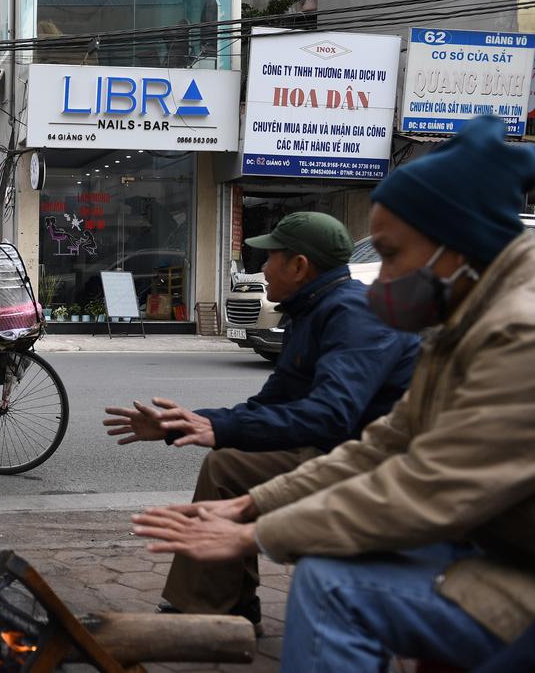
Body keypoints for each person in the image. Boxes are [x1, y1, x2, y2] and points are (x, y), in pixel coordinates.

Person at [130, 116, 535, 671]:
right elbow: (385, 444)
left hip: (498, 554)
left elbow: (420, 481)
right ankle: (215, 605)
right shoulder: (464, 315)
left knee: (333, 586)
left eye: (391, 255)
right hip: (487, 540)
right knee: (249, 488)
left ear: (454, 246)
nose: (380, 276)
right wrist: (251, 504)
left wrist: (255, 532)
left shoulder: (518, 331)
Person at [104, 211, 420, 633]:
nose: (262, 268)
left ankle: (214, 606)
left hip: (373, 466)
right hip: (340, 448)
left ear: (299, 265)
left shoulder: (352, 315)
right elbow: (269, 404)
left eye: (270, 258)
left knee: (227, 465)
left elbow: (331, 414)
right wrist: (180, 425)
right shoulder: (312, 310)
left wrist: (220, 430)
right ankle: (225, 603)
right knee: (230, 460)